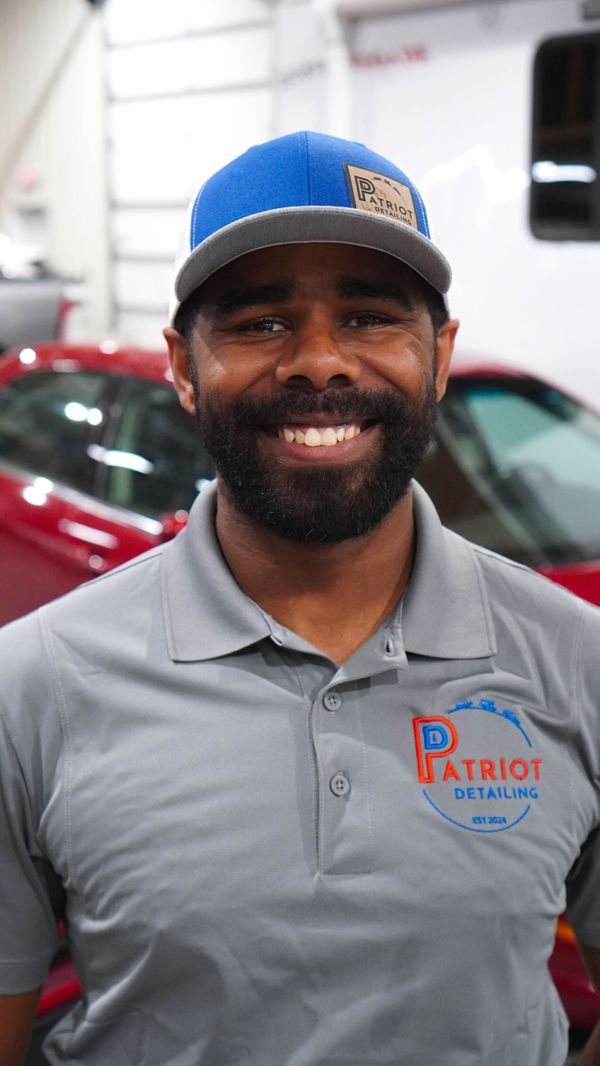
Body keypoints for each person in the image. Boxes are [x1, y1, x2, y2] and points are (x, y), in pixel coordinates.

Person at [0, 130, 599, 1066]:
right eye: (258, 322)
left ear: (438, 354)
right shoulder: (31, 686)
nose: (319, 362)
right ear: (183, 366)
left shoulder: (579, 661)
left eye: (368, 317)